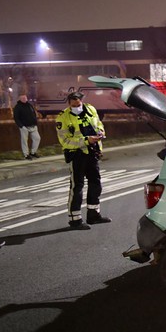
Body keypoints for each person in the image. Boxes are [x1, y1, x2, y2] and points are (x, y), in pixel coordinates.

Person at [56, 91, 111, 230]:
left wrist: (100, 132)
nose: (77, 105)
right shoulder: (63, 117)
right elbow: (65, 141)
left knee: (95, 183)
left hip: (92, 152)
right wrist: (86, 140)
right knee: (77, 186)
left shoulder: (90, 109)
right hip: (77, 154)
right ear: (69, 103)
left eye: (78, 102)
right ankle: (75, 219)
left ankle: (93, 215)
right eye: (73, 103)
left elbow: (98, 123)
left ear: (82, 101)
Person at [13, 93, 41, 160]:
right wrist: (21, 126)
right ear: (20, 99)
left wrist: (35, 122)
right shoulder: (17, 107)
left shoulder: (29, 105)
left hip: (33, 126)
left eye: (25, 98)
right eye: (23, 98)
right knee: (24, 141)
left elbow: (33, 113)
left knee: (37, 138)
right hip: (24, 127)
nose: (25, 99)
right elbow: (16, 118)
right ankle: (26, 154)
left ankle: (33, 152)